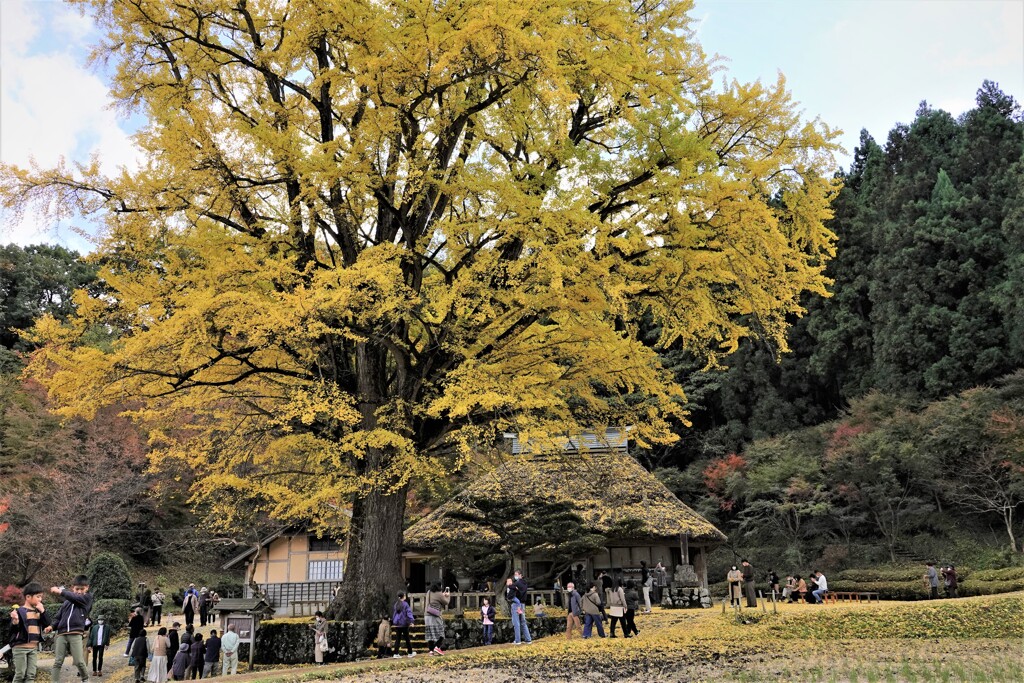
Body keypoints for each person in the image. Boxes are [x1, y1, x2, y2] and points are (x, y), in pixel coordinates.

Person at [50, 576, 94, 683]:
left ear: (87, 588)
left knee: (79, 661)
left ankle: (85, 678)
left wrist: (61, 591)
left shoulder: (87, 599)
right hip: (61, 633)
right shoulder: (66, 603)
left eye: (81, 589)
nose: (79, 592)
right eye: (76, 589)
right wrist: (51, 626)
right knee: (58, 661)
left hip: (76, 632)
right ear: (73, 588)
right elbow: (58, 617)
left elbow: (75, 598)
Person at [9, 582, 51, 683]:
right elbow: (13, 630)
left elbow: (48, 624)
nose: (40, 599)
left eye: (41, 597)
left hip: (33, 648)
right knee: (20, 674)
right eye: (38, 596)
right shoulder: (20, 611)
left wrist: (43, 611)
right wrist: (15, 622)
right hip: (20, 648)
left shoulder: (38, 611)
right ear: (28, 597)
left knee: (31, 675)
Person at [508, 569, 532, 645]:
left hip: (516, 604)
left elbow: (510, 586)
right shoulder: (525, 583)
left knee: (516, 622)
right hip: (523, 604)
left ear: (521, 575)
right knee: (523, 622)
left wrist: (510, 585)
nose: (515, 576)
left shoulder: (517, 583)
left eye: (517, 574)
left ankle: (517, 640)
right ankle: (528, 639)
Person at [424, 583, 450, 655]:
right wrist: (447, 596)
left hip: (426, 615)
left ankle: (431, 651)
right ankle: (437, 647)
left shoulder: (429, 592)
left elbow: (435, 599)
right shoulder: (439, 594)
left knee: (430, 634)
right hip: (434, 615)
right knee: (441, 632)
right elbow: (446, 602)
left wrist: (442, 595)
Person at [390, 592, 414, 658]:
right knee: (407, 638)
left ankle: (396, 653)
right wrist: (411, 621)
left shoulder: (396, 604)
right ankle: (410, 652)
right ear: (403, 596)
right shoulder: (405, 604)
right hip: (404, 624)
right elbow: (409, 613)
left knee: (398, 639)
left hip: (397, 624)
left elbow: (394, 614)